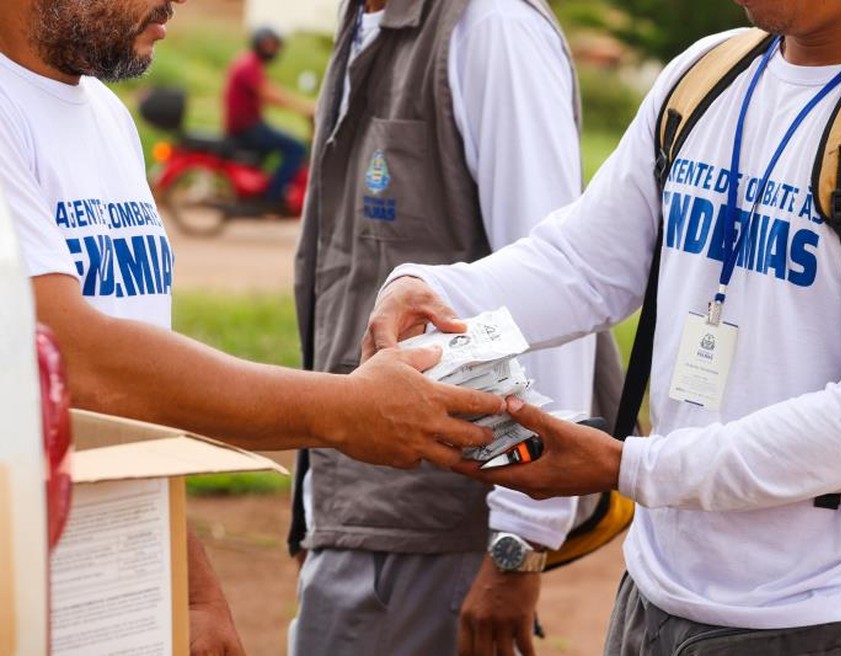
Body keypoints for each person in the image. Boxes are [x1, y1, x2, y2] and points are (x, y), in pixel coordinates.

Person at [363, 0, 841, 653]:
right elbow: (582, 264)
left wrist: (630, 467)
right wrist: (433, 289)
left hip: (816, 618)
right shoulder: (707, 73)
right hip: (650, 597)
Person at [0, 0, 506, 653]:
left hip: (106, 582)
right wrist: (345, 411)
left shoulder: (103, 116)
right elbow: (77, 365)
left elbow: (134, 413)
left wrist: (192, 590)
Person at [287, 0, 623, 654]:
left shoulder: (493, 26)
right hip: (362, 506)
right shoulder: (365, 20)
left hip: (440, 520)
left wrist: (518, 546)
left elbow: (561, 287)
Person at [223, 26, 314, 213]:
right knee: (296, 147)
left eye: (275, 46)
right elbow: (268, 93)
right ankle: (274, 197)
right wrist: (302, 107)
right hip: (246, 129)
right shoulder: (248, 65)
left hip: (249, 125)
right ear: (258, 43)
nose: (272, 50)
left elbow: (269, 89)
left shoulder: (250, 63)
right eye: (268, 45)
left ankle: (270, 189)